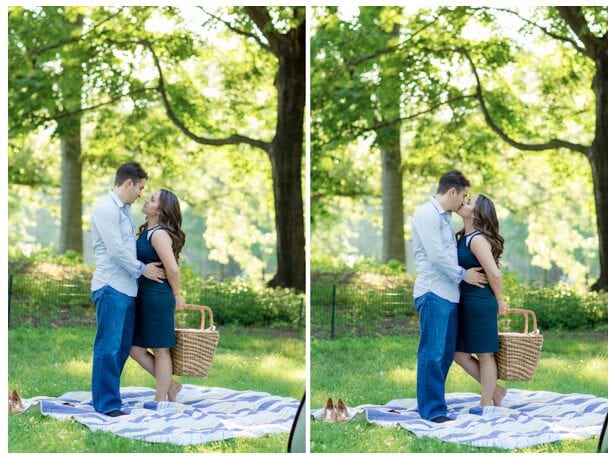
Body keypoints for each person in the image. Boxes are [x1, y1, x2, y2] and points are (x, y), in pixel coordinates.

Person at [411, 170, 487, 422]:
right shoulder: (427, 214)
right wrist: (464, 274)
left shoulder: (444, 217)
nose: (464, 202)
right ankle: (432, 412)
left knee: (444, 355)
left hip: (448, 295)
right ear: (452, 191)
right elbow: (437, 256)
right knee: (432, 354)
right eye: (464, 196)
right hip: (433, 293)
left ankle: (435, 404)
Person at [90, 162, 166, 416]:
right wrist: (143, 269)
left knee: (121, 349)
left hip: (127, 289)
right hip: (111, 287)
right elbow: (117, 251)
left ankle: (111, 399)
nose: (141, 194)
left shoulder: (124, 210)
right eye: (141, 188)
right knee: (108, 348)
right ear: (128, 183)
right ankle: (107, 405)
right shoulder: (106, 209)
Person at [130, 189, 186, 403]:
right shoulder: (149, 231)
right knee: (135, 349)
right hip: (145, 298)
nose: (146, 199)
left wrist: (177, 294)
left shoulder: (159, 234)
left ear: (161, 211)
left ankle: (160, 400)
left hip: (157, 298)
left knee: (161, 350)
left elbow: (172, 269)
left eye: (152, 199)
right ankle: (171, 386)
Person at [453, 195, 509, 407]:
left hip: (480, 304)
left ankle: (485, 405)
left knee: (485, 354)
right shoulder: (464, 236)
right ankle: (497, 391)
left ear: (475, 214)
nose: (463, 202)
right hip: (467, 303)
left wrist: (500, 299)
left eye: (469, 203)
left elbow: (494, 274)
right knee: (459, 354)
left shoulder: (476, 239)